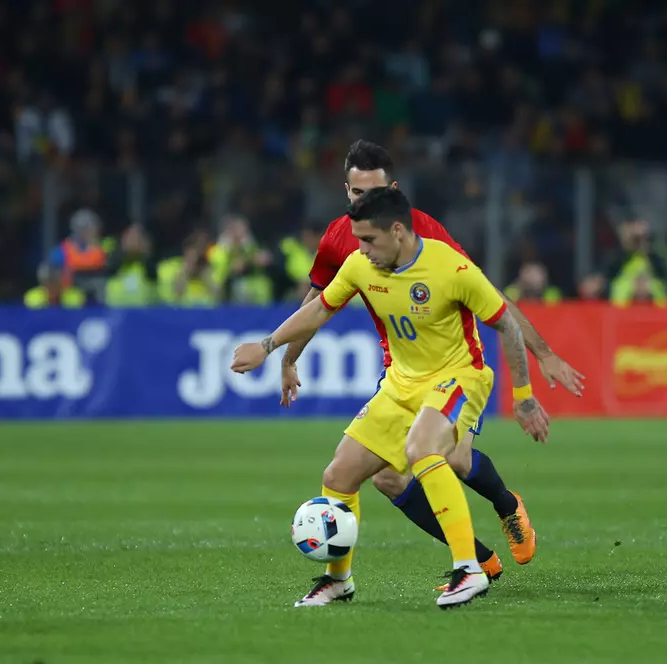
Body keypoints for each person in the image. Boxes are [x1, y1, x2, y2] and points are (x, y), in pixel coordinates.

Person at [279, 140, 584, 602]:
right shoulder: (346, 242)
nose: (363, 205)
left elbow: (490, 301)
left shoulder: (431, 240)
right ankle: (475, 559)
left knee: (447, 458)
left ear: (394, 196)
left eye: (373, 193)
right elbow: (318, 302)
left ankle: (505, 507)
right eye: (356, 194)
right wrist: (284, 355)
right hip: (400, 373)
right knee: (378, 474)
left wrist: (540, 358)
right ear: (346, 191)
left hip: (453, 369)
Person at [231, 188, 550, 609]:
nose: (362, 249)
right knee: (339, 475)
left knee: (424, 450)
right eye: (359, 239)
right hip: (401, 384)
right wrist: (269, 345)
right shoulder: (361, 264)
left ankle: (469, 569)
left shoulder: (450, 267)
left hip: (459, 377)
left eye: (370, 240)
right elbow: (321, 308)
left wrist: (524, 396)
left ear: (397, 231)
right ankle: (338, 580)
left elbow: (507, 325)